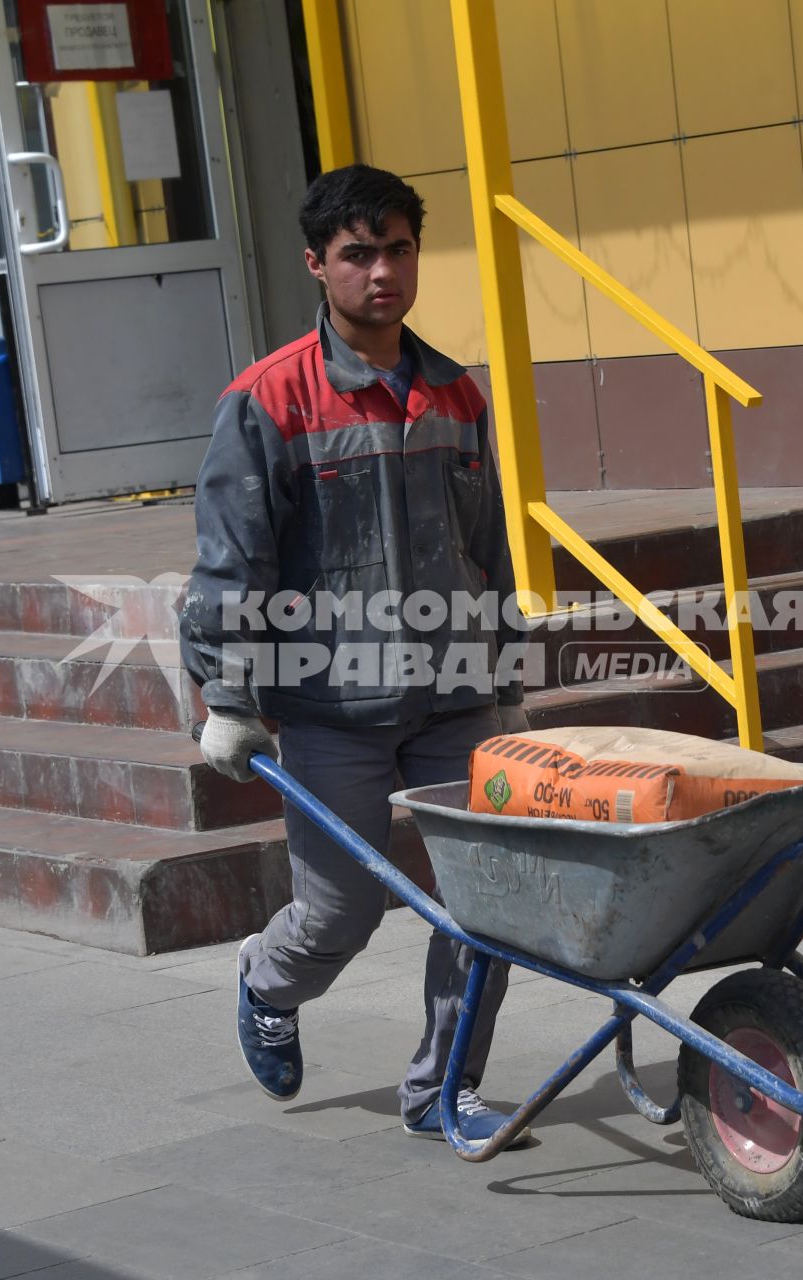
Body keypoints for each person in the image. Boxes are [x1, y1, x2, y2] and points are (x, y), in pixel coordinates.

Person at [179, 163, 532, 1146]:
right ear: (317, 265)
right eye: (358, 253)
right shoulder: (268, 401)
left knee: (486, 908)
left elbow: (489, 547)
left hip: (453, 695)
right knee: (340, 912)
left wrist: (503, 673)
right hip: (331, 702)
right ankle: (266, 977)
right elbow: (229, 564)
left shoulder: (456, 393)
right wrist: (230, 691)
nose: (383, 270)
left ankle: (440, 1092)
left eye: (398, 249)